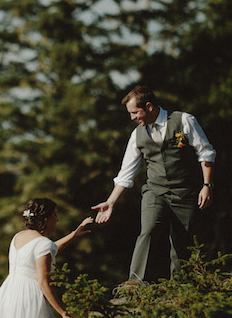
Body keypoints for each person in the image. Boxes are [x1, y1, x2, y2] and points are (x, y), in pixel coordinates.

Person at [92, 86, 216, 282]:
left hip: (184, 191)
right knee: (148, 230)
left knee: (182, 242)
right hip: (155, 190)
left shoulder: (183, 120)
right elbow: (126, 173)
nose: (132, 117)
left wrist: (206, 185)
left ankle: (182, 289)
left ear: (149, 107)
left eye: (135, 112)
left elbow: (205, 152)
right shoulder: (137, 135)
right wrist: (111, 202)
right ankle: (135, 286)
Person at [0, 198, 94, 318]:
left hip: (8, 296)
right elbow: (44, 283)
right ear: (46, 219)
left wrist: (73, 234)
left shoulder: (18, 237)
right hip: (28, 300)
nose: (57, 219)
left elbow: (49, 249)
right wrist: (64, 313)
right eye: (54, 215)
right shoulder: (43, 243)